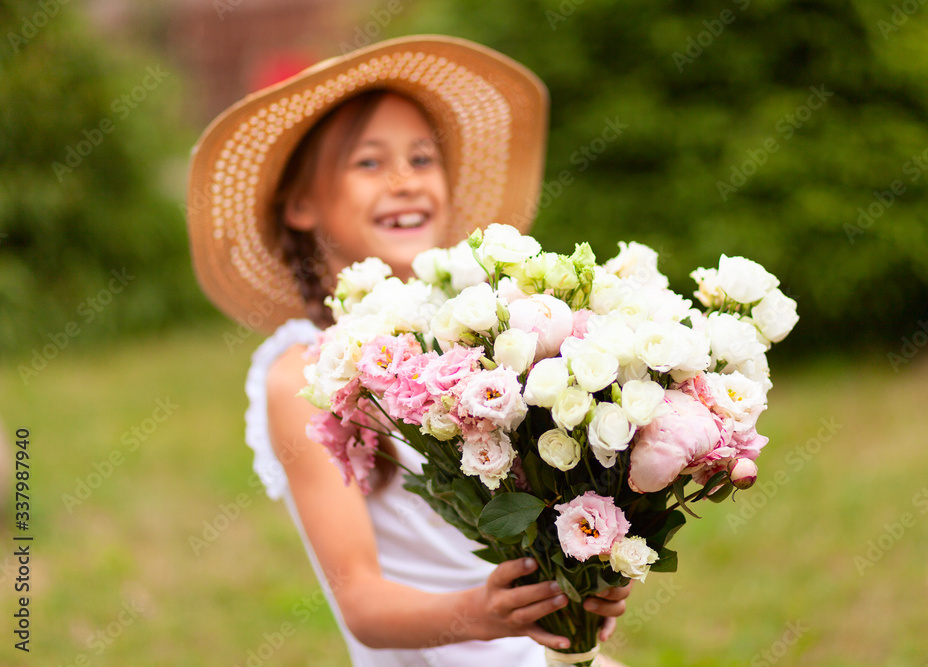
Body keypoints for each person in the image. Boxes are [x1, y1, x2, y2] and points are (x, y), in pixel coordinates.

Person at [187, 36, 631, 666]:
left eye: (422, 158)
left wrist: (588, 570)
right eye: (368, 163)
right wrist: (482, 615)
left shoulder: (475, 338)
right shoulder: (304, 377)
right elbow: (363, 604)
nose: (404, 180)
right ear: (302, 204)